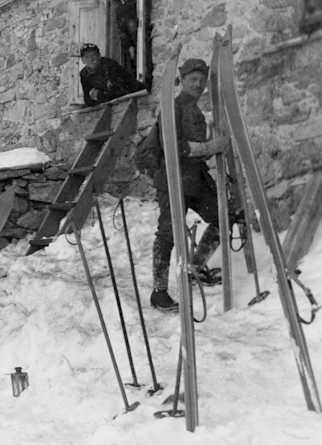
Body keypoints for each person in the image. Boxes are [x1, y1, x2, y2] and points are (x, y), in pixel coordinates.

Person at [150, 58, 229, 312]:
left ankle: (194, 269)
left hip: (194, 179)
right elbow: (173, 145)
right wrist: (208, 147)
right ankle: (159, 292)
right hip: (173, 179)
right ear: (181, 81)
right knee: (168, 232)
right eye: (192, 79)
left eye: (201, 80)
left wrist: (213, 146)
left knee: (223, 217)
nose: (198, 84)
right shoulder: (172, 107)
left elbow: (195, 149)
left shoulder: (194, 110)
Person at [79, 43, 144, 107]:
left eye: (93, 55)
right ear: (82, 60)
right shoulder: (84, 74)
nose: (91, 59)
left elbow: (120, 92)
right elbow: (88, 100)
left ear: (99, 56)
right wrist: (99, 97)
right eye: (87, 57)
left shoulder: (109, 66)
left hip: (139, 97)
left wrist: (99, 95)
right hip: (118, 104)